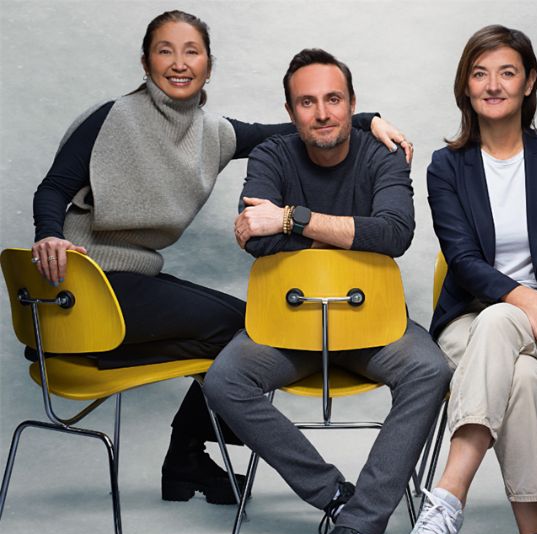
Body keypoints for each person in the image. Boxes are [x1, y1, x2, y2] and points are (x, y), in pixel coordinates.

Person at [29, 10, 411, 507]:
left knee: (237, 329)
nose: (179, 62)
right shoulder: (111, 118)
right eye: (165, 50)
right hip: (85, 279)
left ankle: (183, 457)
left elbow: (299, 125)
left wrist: (364, 120)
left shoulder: (213, 133)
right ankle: (168, 432)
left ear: (209, 66)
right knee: (244, 327)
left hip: (132, 278)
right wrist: (49, 235)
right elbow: (54, 187)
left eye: (192, 51)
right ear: (145, 62)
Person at [202, 48, 451, 534]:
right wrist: (347, 235)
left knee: (430, 369)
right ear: (290, 111)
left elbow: (394, 233)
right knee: (224, 381)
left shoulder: (382, 153)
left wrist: (292, 219)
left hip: (371, 327)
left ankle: (355, 533)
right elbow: (256, 239)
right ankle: (340, 500)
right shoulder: (270, 153)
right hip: (288, 329)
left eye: (333, 99)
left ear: (352, 104)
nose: (322, 113)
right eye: (307, 102)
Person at [396, 25, 537, 534]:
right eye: (479, 73)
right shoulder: (447, 166)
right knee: (518, 369)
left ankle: (447, 500)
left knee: (512, 340)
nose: (493, 84)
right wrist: (526, 300)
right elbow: (463, 262)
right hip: (472, 325)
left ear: (529, 82)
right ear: (465, 85)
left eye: (507, 72)